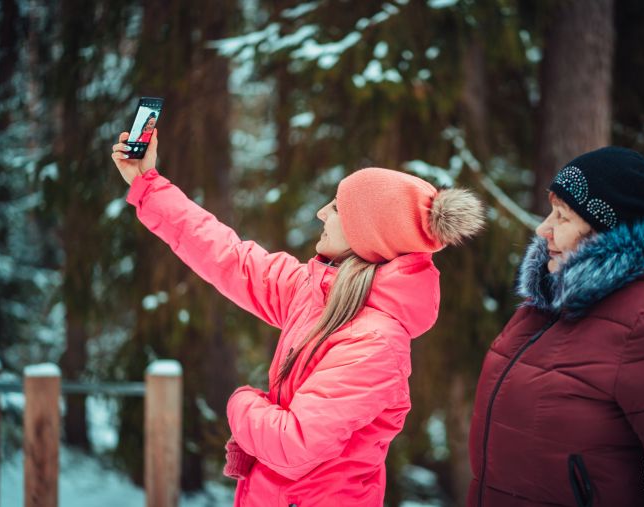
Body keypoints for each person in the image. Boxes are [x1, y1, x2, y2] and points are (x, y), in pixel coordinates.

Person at [111, 129, 486, 506]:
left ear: (369, 235)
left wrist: (242, 403)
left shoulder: (375, 345)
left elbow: (292, 444)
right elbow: (226, 254)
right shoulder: (316, 294)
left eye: (337, 208)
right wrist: (148, 183)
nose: (322, 213)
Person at [468, 147, 644, 507]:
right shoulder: (552, 301)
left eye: (562, 217)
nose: (543, 228)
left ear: (610, 233)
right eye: (551, 212)